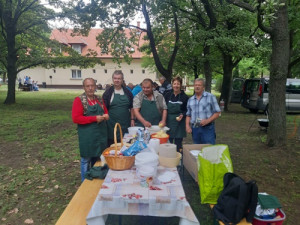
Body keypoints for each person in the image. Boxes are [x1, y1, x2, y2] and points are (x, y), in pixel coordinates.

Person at [72, 78, 109, 181]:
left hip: (100, 134)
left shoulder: (99, 99)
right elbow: (76, 118)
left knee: (97, 157)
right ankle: (85, 181)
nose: (90, 88)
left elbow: (105, 111)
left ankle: (95, 176)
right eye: (87, 86)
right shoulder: (79, 100)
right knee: (86, 158)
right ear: (84, 87)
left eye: (92, 85)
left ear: (95, 86)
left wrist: (106, 116)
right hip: (87, 135)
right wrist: (94, 118)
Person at [103, 70, 134, 146]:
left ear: (122, 79)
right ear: (112, 79)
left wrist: (132, 119)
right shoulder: (108, 93)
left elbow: (132, 107)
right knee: (112, 144)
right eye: (115, 78)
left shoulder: (128, 92)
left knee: (125, 143)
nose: (117, 80)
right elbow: (104, 108)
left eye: (119, 78)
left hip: (125, 122)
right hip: (111, 123)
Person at [186, 78, 221, 144]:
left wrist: (207, 121)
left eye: (199, 85)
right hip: (195, 128)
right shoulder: (191, 100)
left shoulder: (210, 97)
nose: (197, 87)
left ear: (203, 87)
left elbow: (218, 112)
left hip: (207, 128)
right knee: (197, 149)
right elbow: (188, 114)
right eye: (195, 85)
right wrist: (187, 126)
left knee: (208, 149)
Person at [164, 76, 189, 152]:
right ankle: (169, 158)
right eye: (174, 84)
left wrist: (183, 115)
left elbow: (187, 110)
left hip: (179, 122)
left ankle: (178, 157)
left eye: (178, 84)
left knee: (178, 143)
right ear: (172, 85)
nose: (176, 86)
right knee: (169, 142)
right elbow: (164, 108)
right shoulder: (167, 95)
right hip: (169, 121)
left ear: (180, 85)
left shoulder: (184, 97)